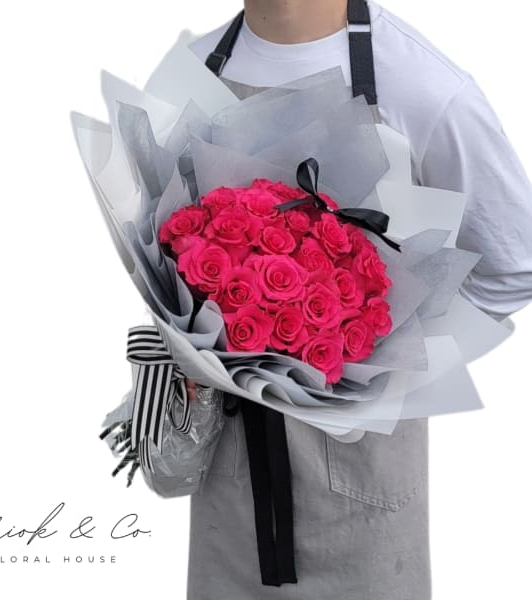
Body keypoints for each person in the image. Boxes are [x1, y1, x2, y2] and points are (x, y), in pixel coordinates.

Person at [180, 1, 532, 598]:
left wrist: (386, 369)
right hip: (231, 484)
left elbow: (513, 263)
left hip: (363, 490)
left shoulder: (420, 84)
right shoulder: (196, 70)